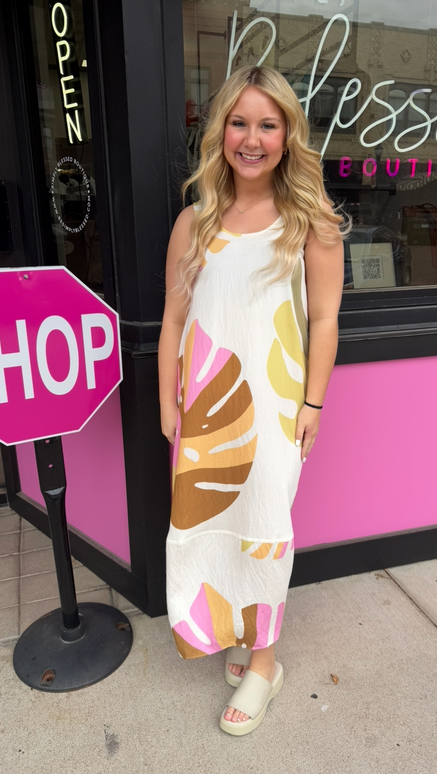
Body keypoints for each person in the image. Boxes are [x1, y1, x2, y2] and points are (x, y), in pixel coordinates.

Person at [158, 65, 347, 736]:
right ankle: (234, 628)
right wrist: (167, 402)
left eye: (267, 124)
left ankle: (264, 660)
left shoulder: (310, 221)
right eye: (239, 122)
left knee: (265, 529)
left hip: (273, 409)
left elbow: (323, 320)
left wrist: (313, 405)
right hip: (205, 407)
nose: (251, 137)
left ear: (287, 135)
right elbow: (174, 321)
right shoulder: (195, 221)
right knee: (208, 525)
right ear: (220, 133)